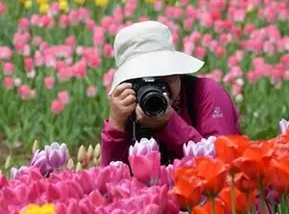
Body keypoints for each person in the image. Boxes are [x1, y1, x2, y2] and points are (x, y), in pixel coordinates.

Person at [101, 21, 241, 166]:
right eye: (143, 82)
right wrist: (115, 127)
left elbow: (223, 165)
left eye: (163, 75)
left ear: (177, 71)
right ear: (127, 83)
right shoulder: (127, 107)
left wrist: (170, 125)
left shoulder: (206, 92)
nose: (153, 89)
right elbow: (111, 177)